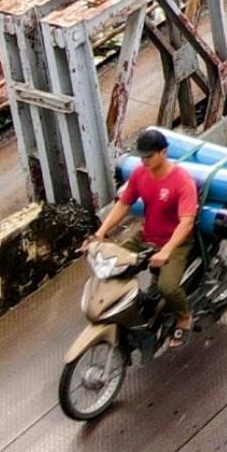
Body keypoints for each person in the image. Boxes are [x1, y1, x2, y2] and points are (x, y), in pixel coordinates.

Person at [90, 128, 200, 347]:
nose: (145, 160)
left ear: (164, 153)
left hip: (175, 243)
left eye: (149, 156)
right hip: (146, 235)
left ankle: (184, 317)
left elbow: (187, 221)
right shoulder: (140, 174)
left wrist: (167, 250)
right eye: (142, 156)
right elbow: (124, 204)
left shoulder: (182, 181)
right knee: (112, 265)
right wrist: (101, 233)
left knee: (167, 287)